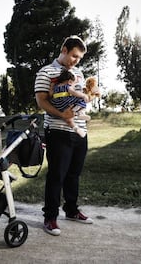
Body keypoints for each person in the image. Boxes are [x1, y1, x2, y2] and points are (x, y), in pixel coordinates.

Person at [35, 35, 96, 236]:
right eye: (73, 56)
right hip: (58, 131)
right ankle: (50, 218)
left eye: (79, 58)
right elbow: (42, 101)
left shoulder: (78, 72)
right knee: (56, 175)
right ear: (63, 50)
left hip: (80, 131)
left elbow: (81, 97)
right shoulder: (46, 72)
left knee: (74, 174)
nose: (76, 61)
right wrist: (62, 114)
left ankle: (71, 210)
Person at [48, 68, 91, 138]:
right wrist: (84, 95)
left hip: (56, 105)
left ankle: (76, 129)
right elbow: (74, 93)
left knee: (68, 119)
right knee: (81, 99)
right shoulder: (67, 87)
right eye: (73, 83)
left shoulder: (56, 86)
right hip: (65, 102)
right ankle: (80, 113)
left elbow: (50, 94)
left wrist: (51, 87)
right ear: (69, 81)